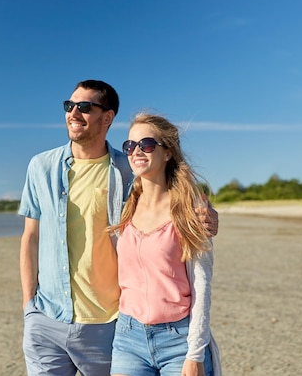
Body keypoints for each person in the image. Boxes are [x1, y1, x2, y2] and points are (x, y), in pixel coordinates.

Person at [18, 80, 219, 376]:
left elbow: (170, 192)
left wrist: (207, 213)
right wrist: (29, 307)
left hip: (107, 325)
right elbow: (30, 238)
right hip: (48, 319)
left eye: (85, 107)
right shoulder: (41, 167)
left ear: (108, 117)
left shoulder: (128, 169)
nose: (74, 113)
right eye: (69, 106)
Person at [108, 113, 222, 376]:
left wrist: (195, 353)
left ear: (168, 153)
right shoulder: (123, 206)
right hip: (128, 337)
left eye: (146, 144)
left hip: (178, 341)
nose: (136, 151)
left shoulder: (190, 208)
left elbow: (202, 284)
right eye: (130, 146)